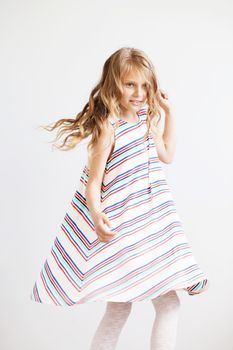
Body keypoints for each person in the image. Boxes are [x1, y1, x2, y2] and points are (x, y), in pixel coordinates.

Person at [30, 47, 209, 350]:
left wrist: (168, 112)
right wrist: (96, 214)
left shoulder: (145, 119)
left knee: (134, 306)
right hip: (128, 229)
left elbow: (167, 154)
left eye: (144, 85)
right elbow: (94, 181)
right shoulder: (108, 127)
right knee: (147, 305)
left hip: (150, 225)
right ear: (114, 84)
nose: (139, 93)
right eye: (130, 84)